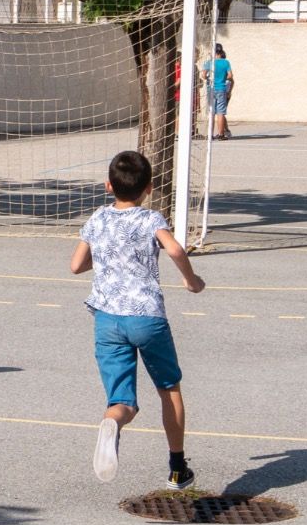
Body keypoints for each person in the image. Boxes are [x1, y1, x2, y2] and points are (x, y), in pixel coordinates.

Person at [69, 150, 206, 491]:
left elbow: (76, 265)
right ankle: (177, 467)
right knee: (168, 388)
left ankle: (113, 423)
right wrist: (191, 280)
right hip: (146, 316)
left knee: (121, 401)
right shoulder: (151, 219)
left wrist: (104, 262)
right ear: (148, 188)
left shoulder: (97, 219)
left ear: (107, 185)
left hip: (107, 318)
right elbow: (174, 249)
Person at [208, 44, 234, 139]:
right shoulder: (226, 62)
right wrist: (223, 78)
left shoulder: (209, 62)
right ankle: (221, 134)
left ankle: (210, 134)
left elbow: (203, 75)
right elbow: (230, 76)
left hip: (211, 89)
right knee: (220, 112)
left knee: (211, 112)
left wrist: (209, 78)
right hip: (221, 88)